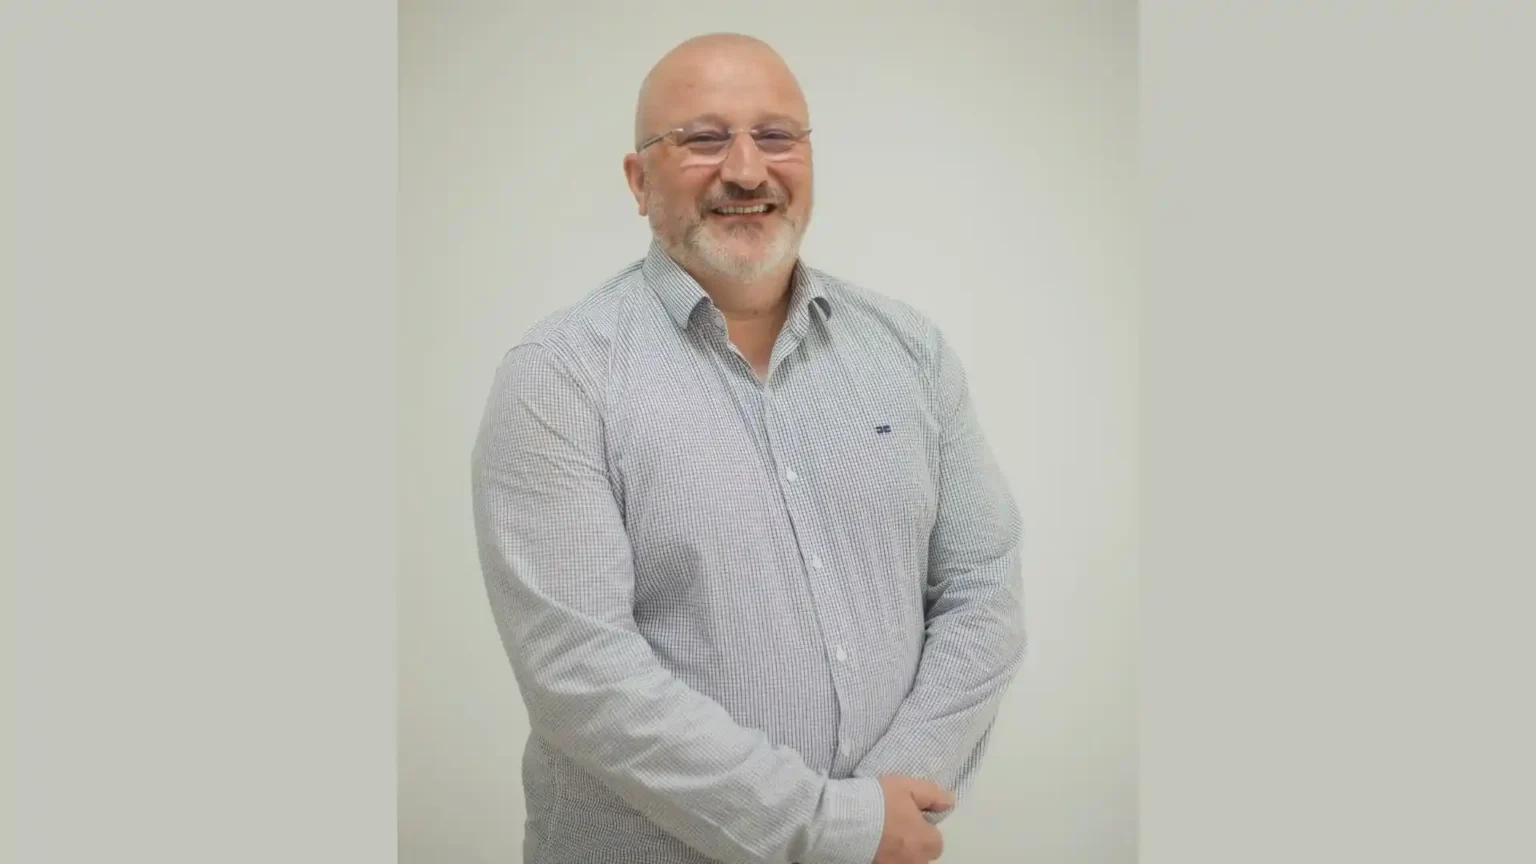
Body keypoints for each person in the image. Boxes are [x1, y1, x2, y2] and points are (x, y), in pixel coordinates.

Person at [470, 32, 1026, 864]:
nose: (745, 169)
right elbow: (582, 674)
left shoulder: (911, 352)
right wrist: (836, 827)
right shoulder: (559, 378)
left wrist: (888, 801)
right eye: (702, 139)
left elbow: (983, 586)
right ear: (638, 180)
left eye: (776, 136)